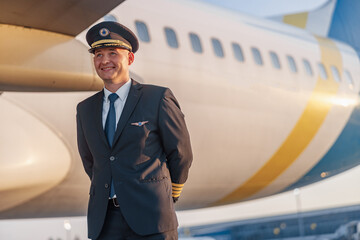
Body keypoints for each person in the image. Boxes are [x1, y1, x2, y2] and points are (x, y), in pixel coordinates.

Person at [76, 21, 193, 240]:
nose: (105, 61)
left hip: (152, 217)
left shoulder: (157, 98)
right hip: (105, 222)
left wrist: (169, 193)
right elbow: (90, 161)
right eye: (98, 54)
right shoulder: (85, 109)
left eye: (113, 53)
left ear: (129, 58)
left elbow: (181, 153)